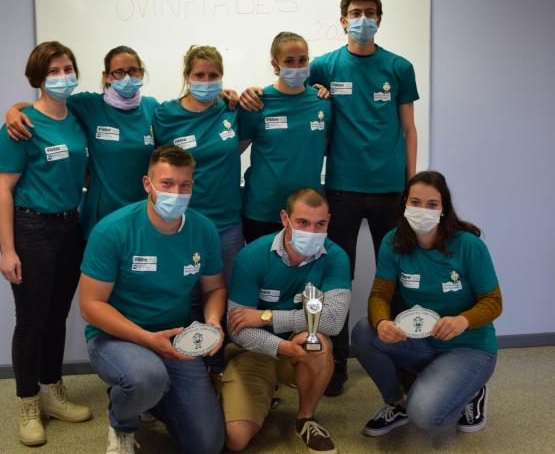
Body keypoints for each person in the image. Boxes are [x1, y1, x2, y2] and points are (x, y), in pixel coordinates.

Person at [239, 0, 419, 394]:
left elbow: (409, 129)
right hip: (338, 190)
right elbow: (291, 91)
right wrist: (243, 91)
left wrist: (410, 186)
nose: (363, 18)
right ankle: (334, 362)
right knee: (337, 280)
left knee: (399, 275)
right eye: (355, 12)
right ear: (342, 19)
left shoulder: (399, 67)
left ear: (379, 18)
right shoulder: (323, 67)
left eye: (370, 12)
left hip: (391, 188)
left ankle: (406, 358)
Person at [79, 145, 226, 454]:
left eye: (184, 185)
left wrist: (212, 322)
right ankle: (122, 422)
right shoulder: (113, 230)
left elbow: (214, 289)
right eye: (167, 184)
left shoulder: (203, 230)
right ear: (148, 184)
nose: (177, 192)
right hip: (115, 338)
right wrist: (146, 339)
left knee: (207, 445)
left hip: (175, 339)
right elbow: (90, 306)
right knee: (146, 376)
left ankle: (148, 397)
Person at [351, 171, 502, 437]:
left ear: (444, 208)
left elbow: (493, 302)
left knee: (425, 416)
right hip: (420, 341)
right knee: (365, 331)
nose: (423, 210)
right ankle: (396, 404)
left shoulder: (468, 245)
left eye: (432, 204)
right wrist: (383, 322)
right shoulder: (393, 241)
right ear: (404, 204)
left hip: (469, 348)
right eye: (415, 202)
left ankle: (473, 391)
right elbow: (379, 296)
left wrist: (462, 320)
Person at [0, 42, 92, 447]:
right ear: (38, 78)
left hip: (70, 227)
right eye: (53, 71)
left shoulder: (78, 118)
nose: (62, 76)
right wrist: (7, 250)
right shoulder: (20, 125)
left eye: (68, 68)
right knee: (31, 322)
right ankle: (26, 402)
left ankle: (52, 390)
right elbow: (3, 189)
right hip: (31, 229)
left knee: (57, 317)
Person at [222, 188, 351, 454]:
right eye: (303, 222)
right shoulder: (252, 256)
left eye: (320, 224)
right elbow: (237, 329)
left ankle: (305, 419)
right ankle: (246, 391)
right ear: (285, 218)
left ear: (329, 221)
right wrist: (281, 347)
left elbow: (334, 322)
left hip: (299, 349)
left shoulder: (336, 257)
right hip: (255, 352)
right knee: (235, 440)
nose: (312, 232)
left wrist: (267, 316)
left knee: (320, 344)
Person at [5, 45, 159, 239]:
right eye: (119, 72)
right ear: (106, 77)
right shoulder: (89, 105)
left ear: (141, 73)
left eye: (133, 71)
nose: (127, 78)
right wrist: (14, 110)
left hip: (141, 211)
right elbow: (47, 106)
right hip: (100, 215)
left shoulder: (152, 108)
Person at [152, 45, 242, 281]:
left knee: (225, 292)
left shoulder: (232, 109)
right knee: (184, 296)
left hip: (227, 222)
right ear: (187, 77)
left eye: (213, 75)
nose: (206, 81)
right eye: (199, 75)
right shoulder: (165, 114)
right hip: (182, 221)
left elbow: (236, 148)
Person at [239, 32, 332, 244]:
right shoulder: (257, 102)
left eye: (302, 60)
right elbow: (232, 151)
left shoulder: (322, 102)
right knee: (262, 273)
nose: (297, 66)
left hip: (308, 214)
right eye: (289, 61)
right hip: (262, 210)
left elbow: (326, 148)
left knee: (303, 276)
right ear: (275, 63)